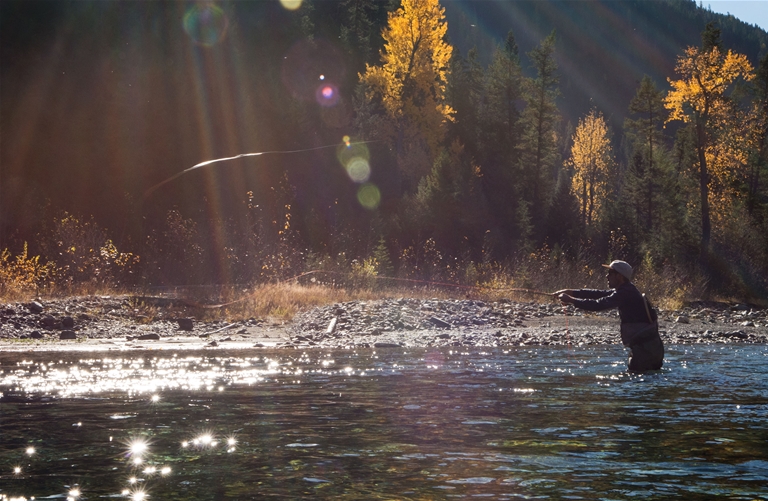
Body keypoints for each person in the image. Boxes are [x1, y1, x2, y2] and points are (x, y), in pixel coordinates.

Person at [553, 260, 664, 372]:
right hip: (651, 349)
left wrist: (571, 300)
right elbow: (599, 294)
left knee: (638, 381)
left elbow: (598, 304)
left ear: (619, 276)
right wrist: (571, 292)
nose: (607, 276)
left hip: (646, 352)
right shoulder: (627, 289)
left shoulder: (625, 293)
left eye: (610, 273)